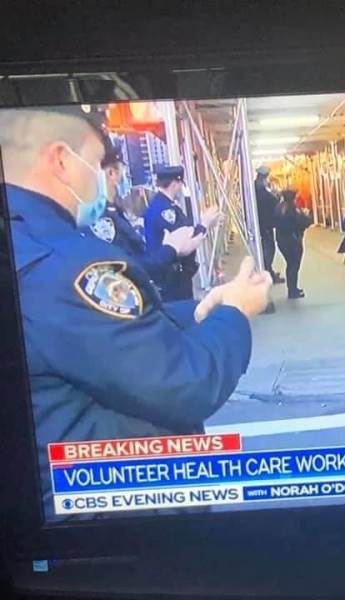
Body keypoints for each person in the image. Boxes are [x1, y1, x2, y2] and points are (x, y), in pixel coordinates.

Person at [0, 106, 270, 516]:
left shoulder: (28, 245)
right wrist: (234, 313)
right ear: (60, 161)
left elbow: (108, 336)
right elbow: (185, 382)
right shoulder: (65, 266)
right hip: (118, 516)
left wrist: (202, 308)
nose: (108, 180)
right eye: (95, 163)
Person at [89, 139, 201, 282]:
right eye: (122, 168)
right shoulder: (103, 218)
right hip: (164, 280)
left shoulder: (115, 211)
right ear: (112, 174)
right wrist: (171, 248)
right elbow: (133, 268)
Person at [144, 165, 220, 301]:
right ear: (174, 184)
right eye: (180, 184)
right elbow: (184, 244)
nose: (180, 189)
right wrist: (204, 224)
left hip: (170, 276)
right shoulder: (166, 211)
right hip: (172, 279)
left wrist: (205, 225)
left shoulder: (161, 205)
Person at [274, 189, 312, 299]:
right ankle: (293, 290)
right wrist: (307, 215)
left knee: (290, 264)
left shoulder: (278, 208)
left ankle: (292, 288)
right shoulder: (293, 210)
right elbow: (304, 222)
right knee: (294, 265)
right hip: (293, 241)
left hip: (281, 241)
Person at [254, 165, 285, 283]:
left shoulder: (257, 187)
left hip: (263, 222)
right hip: (265, 223)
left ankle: (268, 270)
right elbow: (270, 201)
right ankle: (267, 272)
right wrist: (277, 196)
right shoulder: (260, 189)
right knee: (269, 248)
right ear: (264, 176)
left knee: (267, 247)